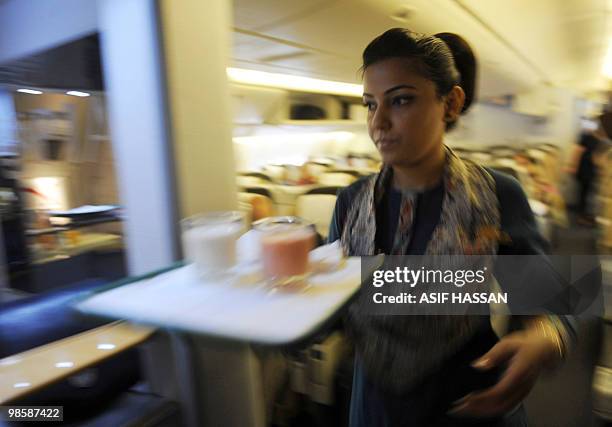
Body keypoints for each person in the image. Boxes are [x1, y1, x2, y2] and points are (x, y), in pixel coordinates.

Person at [327, 28, 575, 426]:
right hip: (376, 407)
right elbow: (330, 306)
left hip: (471, 401)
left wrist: (546, 334)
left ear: (451, 103)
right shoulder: (349, 203)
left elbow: (551, 301)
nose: (379, 123)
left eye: (401, 100)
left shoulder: (497, 194)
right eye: (370, 105)